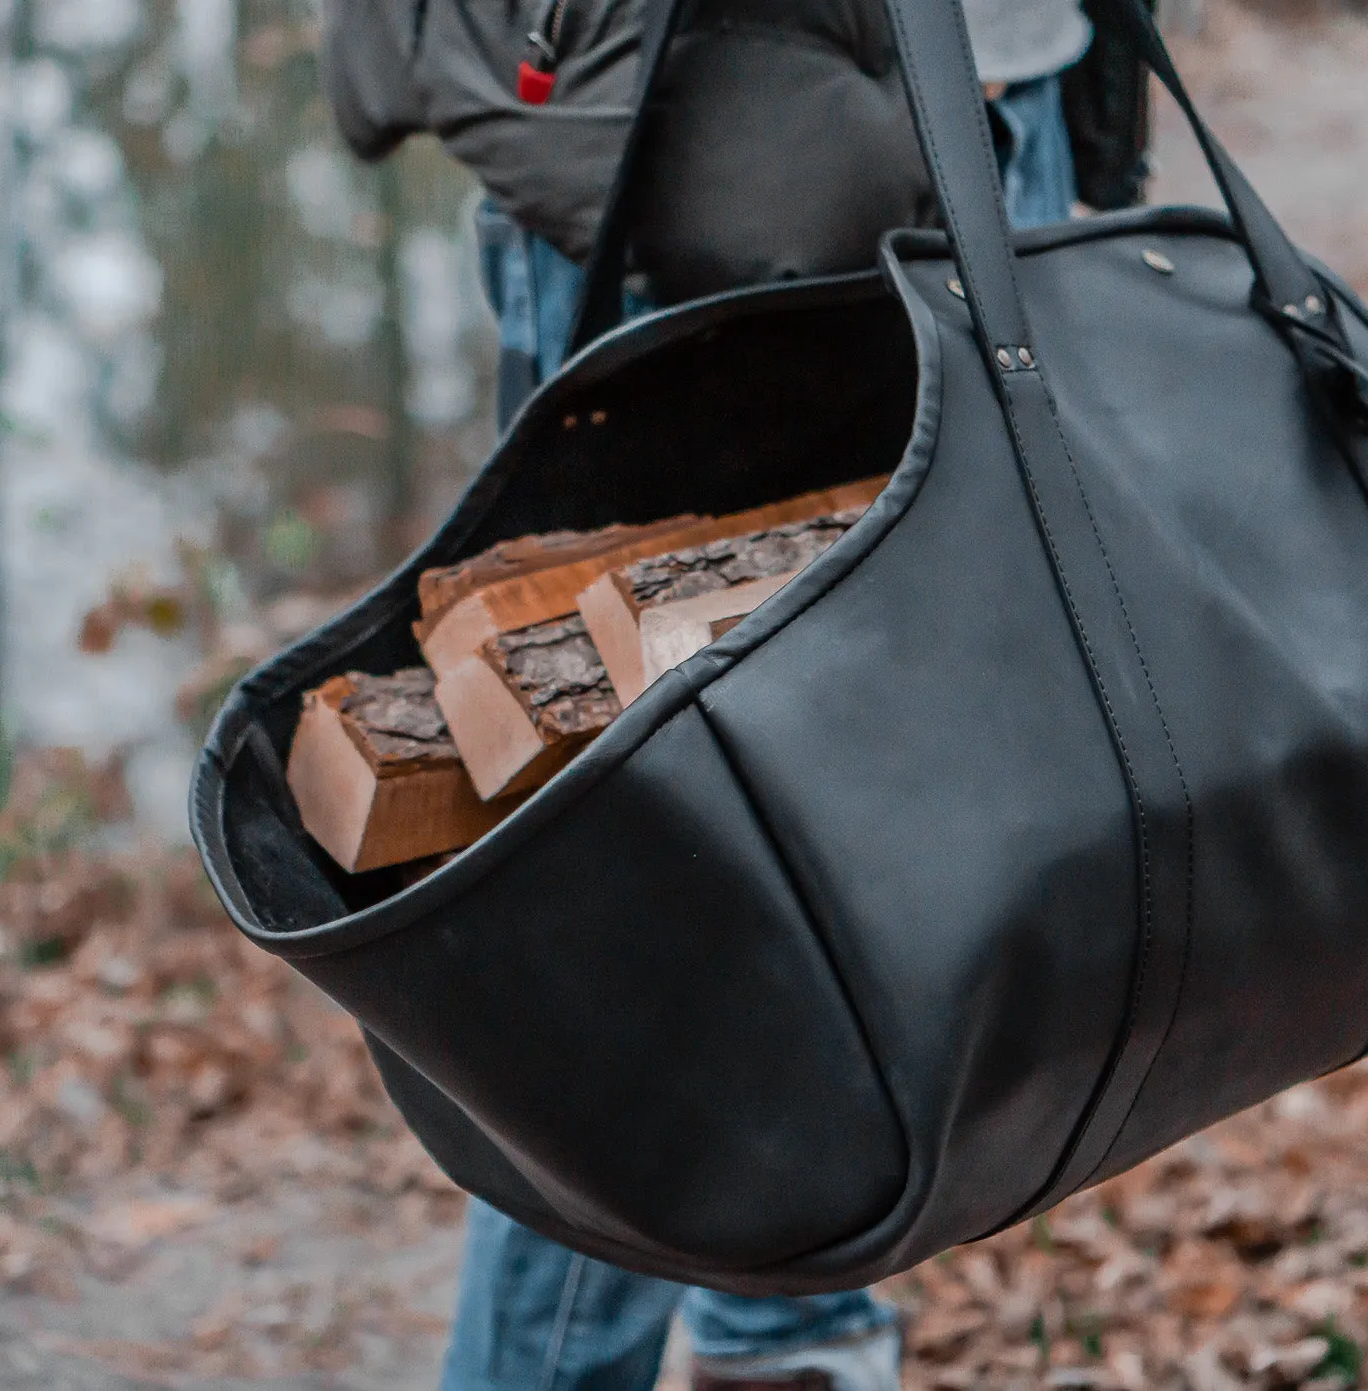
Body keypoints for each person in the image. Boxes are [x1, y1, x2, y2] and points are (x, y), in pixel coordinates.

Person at [320, 2, 1150, 1386]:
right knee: (626, 872)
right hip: (677, 121)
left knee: (895, 812)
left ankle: (789, 1336)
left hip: (1005, 79)